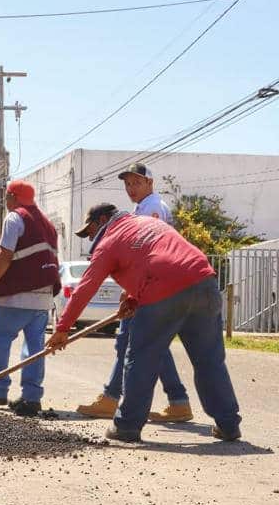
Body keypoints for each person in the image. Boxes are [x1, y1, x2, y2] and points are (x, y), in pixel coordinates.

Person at [46, 204, 242, 443]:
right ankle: (229, 424)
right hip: (204, 283)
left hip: (164, 291)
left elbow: (86, 287)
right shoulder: (152, 224)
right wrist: (133, 297)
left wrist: (63, 328)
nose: (89, 237)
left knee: (141, 358)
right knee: (209, 360)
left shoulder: (109, 241)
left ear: (104, 219)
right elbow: (157, 257)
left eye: (90, 230)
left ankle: (127, 426)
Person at [75, 163, 193, 422]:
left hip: (150, 289)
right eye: (127, 184)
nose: (131, 188)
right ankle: (177, 401)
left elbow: (151, 253)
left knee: (129, 342)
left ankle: (112, 398)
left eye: (136, 183)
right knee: (147, 343)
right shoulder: (143, 208)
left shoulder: (152, 209)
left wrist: (135, 290)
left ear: (150, 183)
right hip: (148, 288)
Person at [0, 180, 61, 417]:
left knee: (1, 340)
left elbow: (5, 255)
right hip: (43, 297)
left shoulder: (15, 218)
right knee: (35, 347)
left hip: (15, 295)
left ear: (13, 198)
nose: (5, 202)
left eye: (6, 197)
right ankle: (31, 398)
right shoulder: (48, 224)